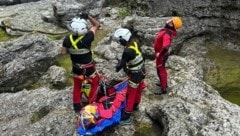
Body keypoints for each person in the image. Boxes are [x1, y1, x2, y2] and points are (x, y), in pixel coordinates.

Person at [61, 13, 100, 113]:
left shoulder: (67, 39)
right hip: (89, 68)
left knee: (77, 86)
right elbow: (96, 25)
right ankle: (92, 103)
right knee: (95, 82)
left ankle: (77, 106)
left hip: (76, 69)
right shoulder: (88, 37)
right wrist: (88, 16)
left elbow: (63, 53)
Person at [113, 28, 146, 125]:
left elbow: (121, 65)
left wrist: (117, 66)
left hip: (135, 74)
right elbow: (142, 57)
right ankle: (136, 105)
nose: (119, 42)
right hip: (141, 71)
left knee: (131, 93)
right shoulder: (134, 43)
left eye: (119, 40)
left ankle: (126, 115)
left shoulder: (127, 51)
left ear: (123, 39)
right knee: (138, 89)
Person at [153, 17, 183, 95]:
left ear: (172, 25)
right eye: (170, 20)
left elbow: (166, 46)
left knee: (161, 70)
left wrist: (160, 54)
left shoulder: (167, 34)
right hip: (161, 55)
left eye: (171, 21)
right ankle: (162, 83)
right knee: (159, 69)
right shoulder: (166, 31)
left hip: (161, 55)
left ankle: (163, 88)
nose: (168, 21)